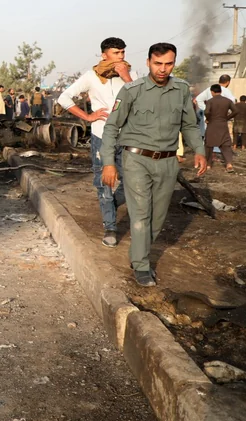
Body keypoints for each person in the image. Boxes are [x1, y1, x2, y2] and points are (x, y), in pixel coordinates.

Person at [101, 42, 206, 287]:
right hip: (136, 159)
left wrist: (199, 150)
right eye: (157, 63)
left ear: (174, 63)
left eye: (168, 63)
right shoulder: (132, 90)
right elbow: (111, 127)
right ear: (148, 62)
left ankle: (140, 253)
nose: (162, 69)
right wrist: (108, 163)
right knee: (140, 215)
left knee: (158, 218)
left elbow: (189, 124)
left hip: (168, 162)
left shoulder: (180, 89)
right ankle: (141, 264)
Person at [58, 37, 136, 247]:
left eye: (122, 53)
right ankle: (110, 226)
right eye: (116, 53)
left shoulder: (132, 75)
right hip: (102, 136)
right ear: (104, 55)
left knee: (133, 182)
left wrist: (126, 76)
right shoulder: (92, 76)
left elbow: (141, 100)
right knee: (104, 185)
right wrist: (88, 116)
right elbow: (64, 98)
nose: (120, 57)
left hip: (128, 137)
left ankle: (110, 205)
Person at [203, 84, 236, 172]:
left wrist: (208, 118)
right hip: (223, 124)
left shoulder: (210, 101)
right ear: (220, 91)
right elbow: (236, 111)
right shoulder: (227, 101)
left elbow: (206, 111)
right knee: (226, 145)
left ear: (212, 92)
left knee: (209, 145)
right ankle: (229, 164)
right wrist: (227, 118)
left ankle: (209, 164)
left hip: (212, 125)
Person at [194, 74, 235, 139]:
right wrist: (227, 113)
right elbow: (232, 103)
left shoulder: (209, 89)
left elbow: (198, 99)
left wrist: (205, 109)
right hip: (221, 119)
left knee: (209, 138)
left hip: (208, 119)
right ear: (228, 82)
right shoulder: (227, 91)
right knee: (220, 138)